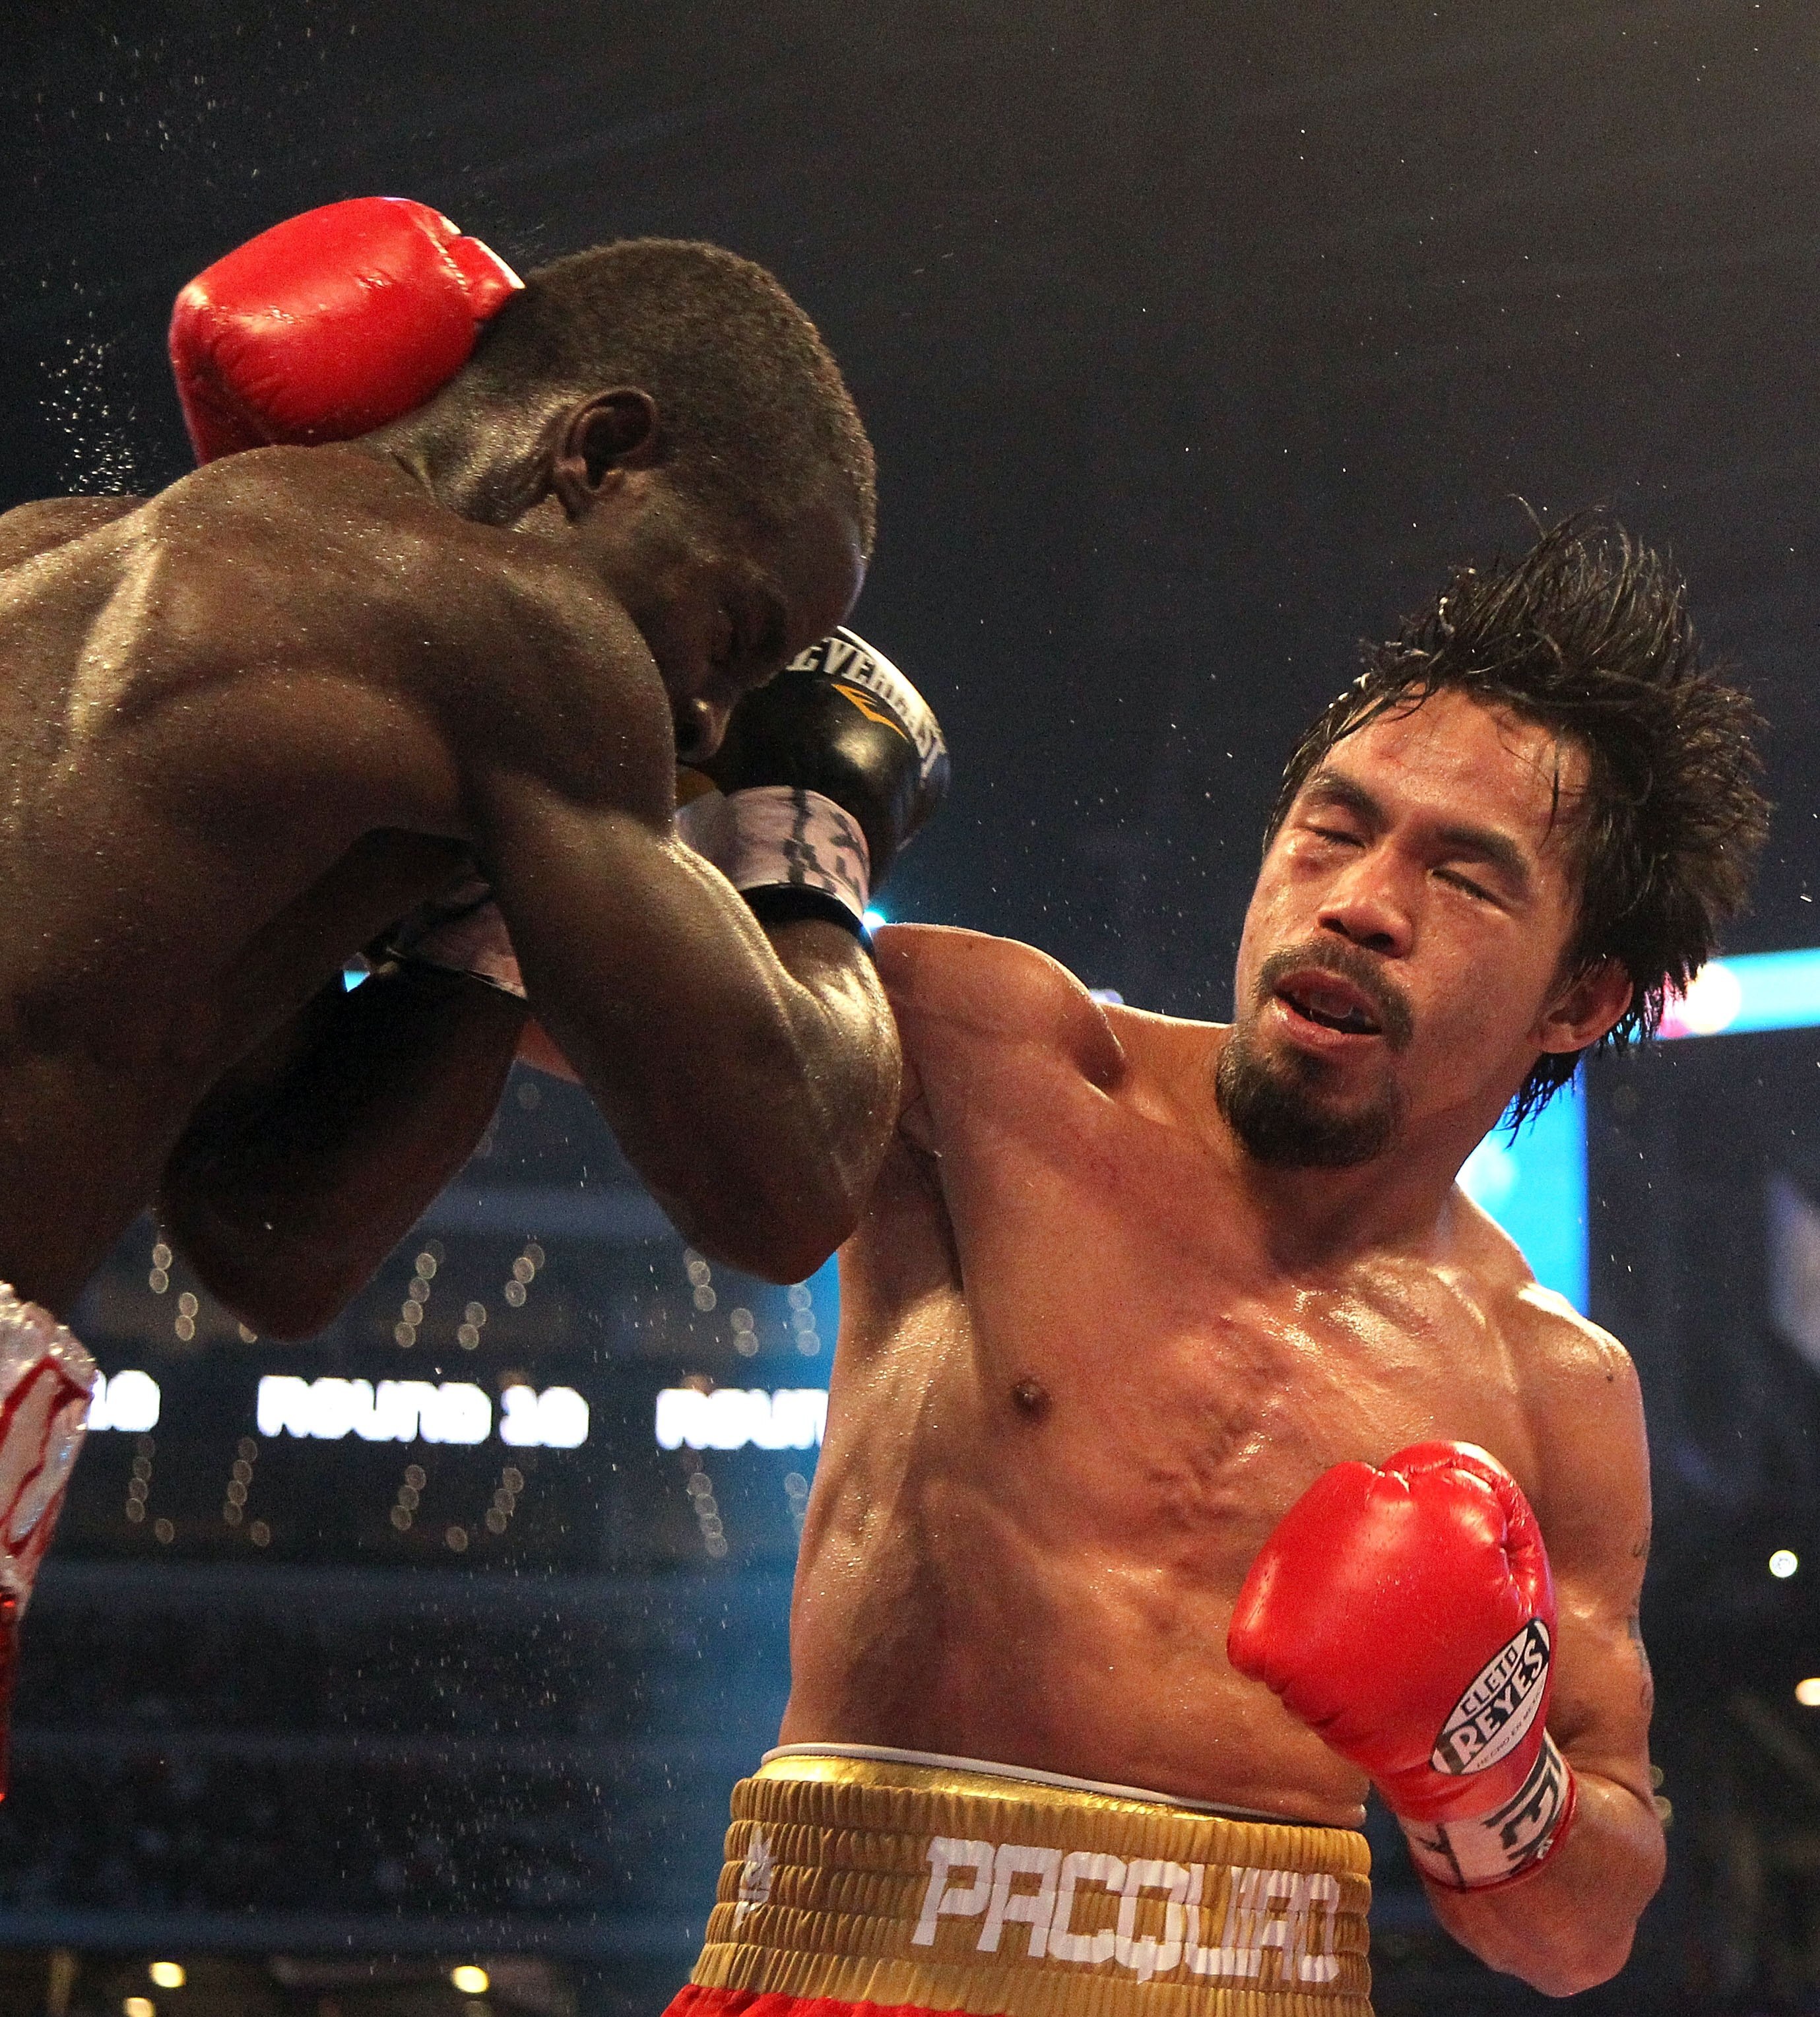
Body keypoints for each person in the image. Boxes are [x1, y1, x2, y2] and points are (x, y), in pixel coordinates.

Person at [665, 519, 1767, 2015]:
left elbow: (1574, 1931)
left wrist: (1483, 1767)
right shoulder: (995, 1066)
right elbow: (561, 983)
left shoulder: (1549, 1386)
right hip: (843, 1959)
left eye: (1463, 876)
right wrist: (755, 829)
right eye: (1331, 824)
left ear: (1578, 993)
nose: (1359, 899)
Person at [0, 199, 942, 1779]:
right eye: (737, 627)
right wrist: (811, 835)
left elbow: (268, 1238)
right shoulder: (520, 634)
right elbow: (789, 1181)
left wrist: (489, 920)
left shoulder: (66, 565)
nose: (707, 720)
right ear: (598, 451)